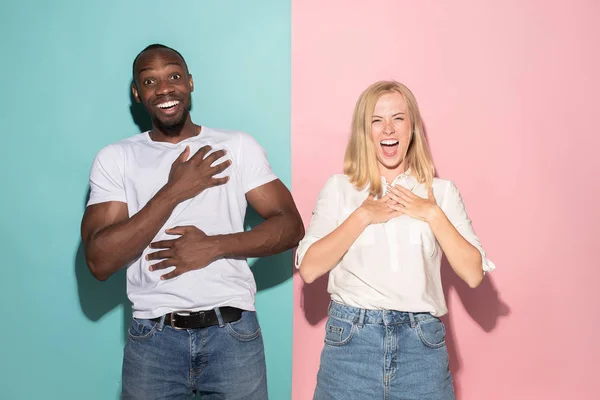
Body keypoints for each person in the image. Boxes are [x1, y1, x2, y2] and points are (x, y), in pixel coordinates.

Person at [81, 43, 304, 399]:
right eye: (150, 81)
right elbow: (99, 260)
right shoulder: (116, 158)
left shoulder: (236, 146)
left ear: (190, 82)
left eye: (173, 76)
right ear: (137, 93)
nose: (165, 88)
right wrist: (175, 190)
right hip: (153, 339)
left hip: (232, 335)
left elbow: (291, 226)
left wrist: (214, 246)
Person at [296, 80, 495, 400]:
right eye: (376, 120)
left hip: (422, 349)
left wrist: (432, 214)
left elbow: (473, 273)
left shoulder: (441, 193)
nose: (388, 128)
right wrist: (363, 216)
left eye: (398, 118)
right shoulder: (339, 189)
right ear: (365, 131)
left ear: (412, 127)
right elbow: (308, 268)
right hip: (350, 345)